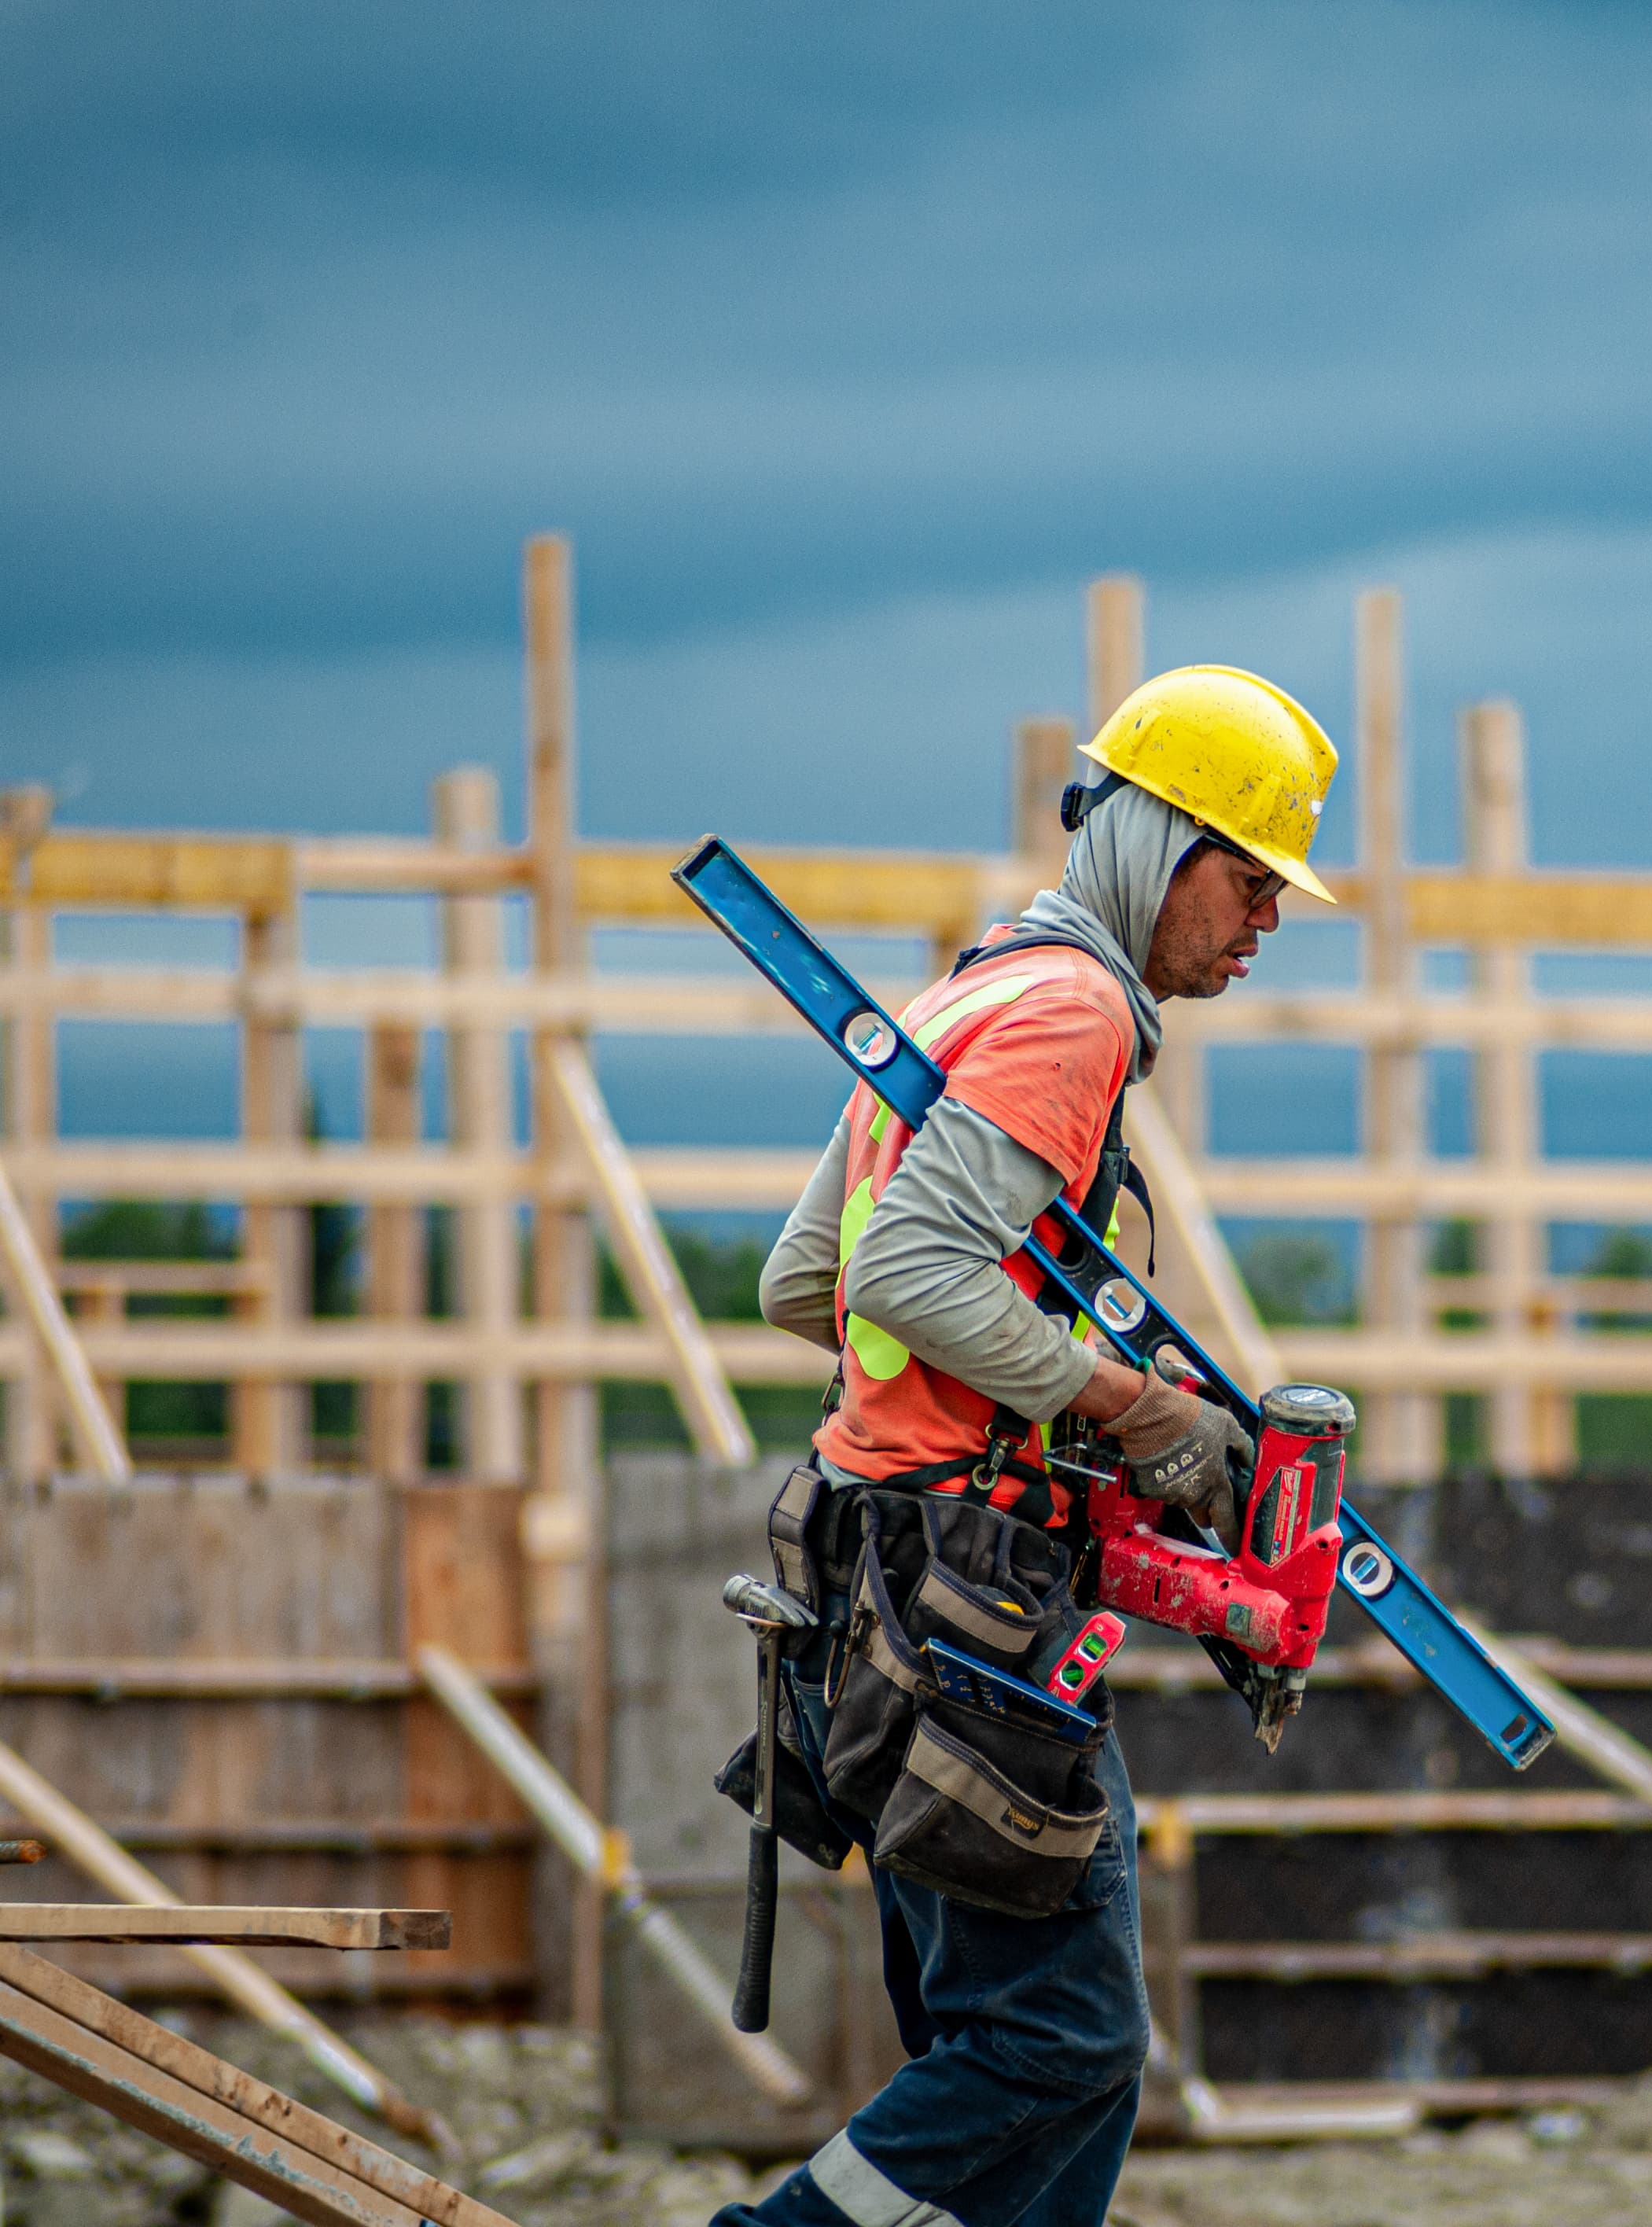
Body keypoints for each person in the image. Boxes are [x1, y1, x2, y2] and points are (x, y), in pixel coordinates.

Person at [712, 665, 1337, 2227]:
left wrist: (1041, 1384)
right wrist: (1122, 1403)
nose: (1267, 921)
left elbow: (806, 1279)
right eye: (1250, 880)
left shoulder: (973, 988)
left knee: (1048, 2057)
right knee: (1060, 2039)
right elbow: (906, 1277)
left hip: (874, 1567)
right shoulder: (1073, 1012)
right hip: (960, 1601)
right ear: (1161, 846)